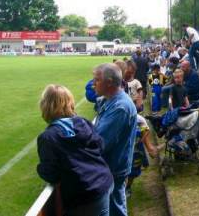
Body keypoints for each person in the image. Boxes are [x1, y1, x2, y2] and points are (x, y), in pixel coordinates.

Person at [37, 85, 113, 216]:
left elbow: (51, 173)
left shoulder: (48, 137)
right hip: (104, 182)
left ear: (45, 106)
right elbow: (100, 146)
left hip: (85, 195)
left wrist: (40, 169)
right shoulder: (83, 122)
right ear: (70, 103)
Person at [93, 63, 137, 216]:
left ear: (109, 82)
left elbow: (99, 142)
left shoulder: (120, 107)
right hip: (114, 166)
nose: (93, 84)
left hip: (114, 167)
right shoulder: (111, 100)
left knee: (115, 209)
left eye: (96, 80)